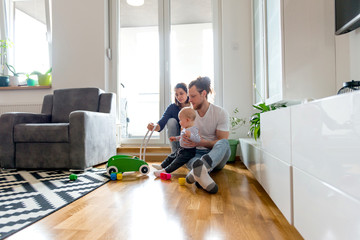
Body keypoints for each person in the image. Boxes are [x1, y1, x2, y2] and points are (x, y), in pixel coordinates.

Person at [183, 76, 231, 194]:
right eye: (189, 96)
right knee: (188, 157)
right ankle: (202, 174)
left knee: (224, 143)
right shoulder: (189, 114)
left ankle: (200, 170)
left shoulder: (220, 113)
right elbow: (185, 138)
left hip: (216, 155)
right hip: (196, 154)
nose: (190, 100)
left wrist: (201, 142)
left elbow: (221, 141)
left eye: (193, 96)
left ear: (203, 93)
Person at [153, 107, 201, 177]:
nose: (179, 122)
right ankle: (162, 166)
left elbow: (197, 139)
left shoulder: (194, 129)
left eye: (180, 120)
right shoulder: (185, 129)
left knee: (176, 162)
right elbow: (182, 137)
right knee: (171, 157)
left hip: (188, 152)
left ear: (187, 120)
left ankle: (164, 171)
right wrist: (175, 138)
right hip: (181, 148)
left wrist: (190, 135)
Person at [147, 83, 190, 153]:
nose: (179, 97)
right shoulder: (172, 107)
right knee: (171, 121)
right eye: (176, 95)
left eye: (181, 93)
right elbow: (162, 122)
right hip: (177, 140)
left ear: (187, 93)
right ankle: (174, 154)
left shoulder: (194, 107)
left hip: (190, 140)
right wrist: (154, 126)